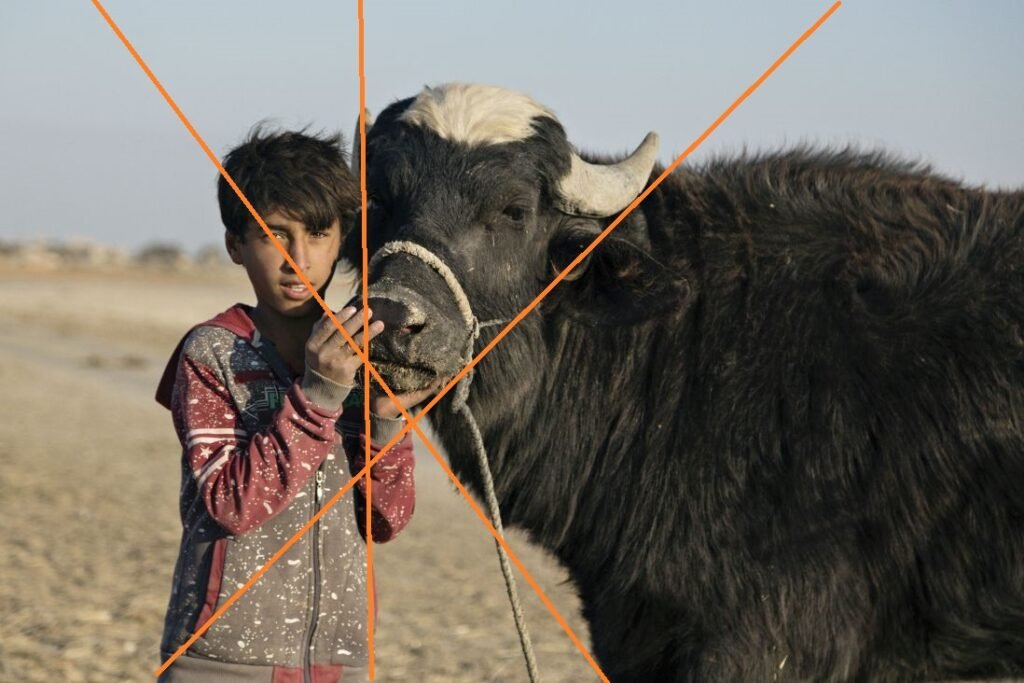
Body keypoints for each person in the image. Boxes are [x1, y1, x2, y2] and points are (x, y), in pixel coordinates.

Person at [153, 126, 434, 682]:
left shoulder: (362, 353)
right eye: (273, 235)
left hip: (341, 659)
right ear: (236, 244)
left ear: (342, 239)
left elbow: (386, 521)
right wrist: (321, 394)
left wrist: (385, 432)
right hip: (223, 658)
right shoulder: (213, 352)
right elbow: (232, 505)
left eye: (317, 234)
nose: (296, 258)